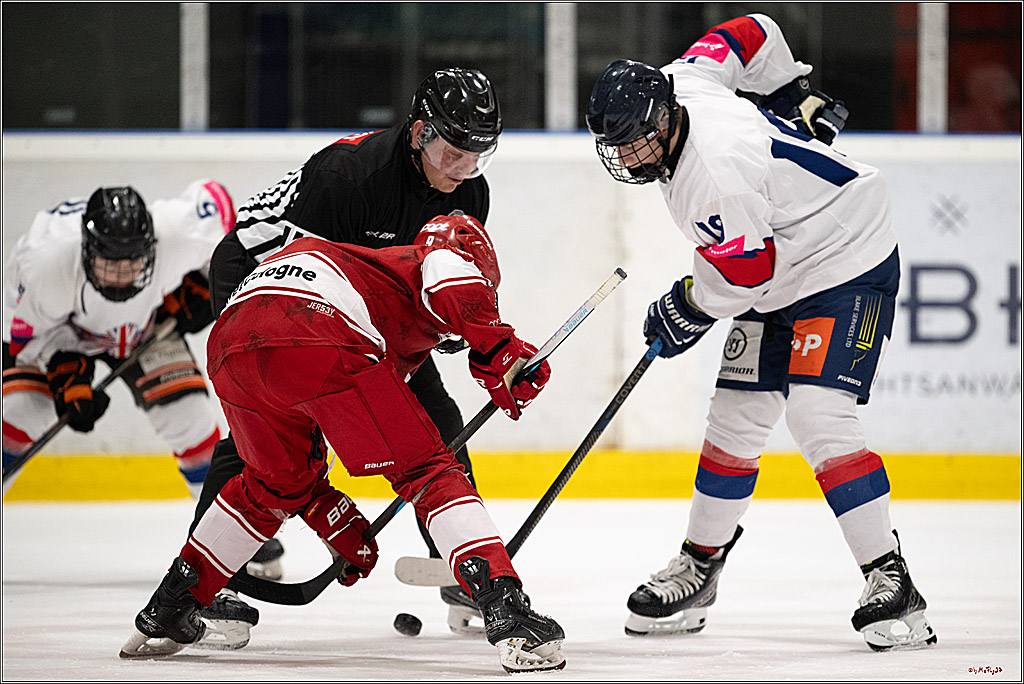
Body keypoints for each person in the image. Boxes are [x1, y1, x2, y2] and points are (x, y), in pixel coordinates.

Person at [585, 13, 936, 652]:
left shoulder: (712, 177)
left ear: (663, 119)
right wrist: (786, 89)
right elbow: (752, 29)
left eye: (639, 140)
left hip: (841, 252)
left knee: (818, 413)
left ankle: (892, 580)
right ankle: (700, 567)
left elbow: (745, 279)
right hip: (779, 248)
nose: (631, 156)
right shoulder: (682, 78)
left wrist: (688, 305)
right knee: (734, 420)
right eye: (619, 144)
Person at [120, 214, 566, 674]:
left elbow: (312, 423)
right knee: (431, 471)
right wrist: (498, 347)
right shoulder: (430, 259)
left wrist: (329, 518)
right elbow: (450, 275)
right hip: (316, 328)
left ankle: (170, 607)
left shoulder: (358, 274)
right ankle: (507, 613)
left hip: (232, 343)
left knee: (270, 485)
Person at [191, 67, 502, 646]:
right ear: (419, 132)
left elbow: (439, 278)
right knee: (266, 437)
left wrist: (460, 325)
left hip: (364, 313)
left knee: (436, 422)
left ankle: (463, 571)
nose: (463, 169)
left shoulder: (470, 192)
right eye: (454, 151)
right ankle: (214, 586)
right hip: (267, 291)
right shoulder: (349, 177)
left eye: (478, 155)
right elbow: (289, 278)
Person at [2, 182, 235, 500]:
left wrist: (209, 281)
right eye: (110, 266)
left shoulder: (175, 232)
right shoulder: (47, 267)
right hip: (56, 332)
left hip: (143, 327)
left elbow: (221, 206)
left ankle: (226, 524)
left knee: (189, 416)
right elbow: (19, 339)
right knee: (22, 410)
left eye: (133, 263)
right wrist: (61, 364)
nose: (122, 276)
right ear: (87, 252)